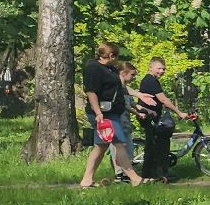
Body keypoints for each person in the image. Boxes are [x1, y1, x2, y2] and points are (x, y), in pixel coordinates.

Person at [79, 43, 143, 189]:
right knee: (119, 143)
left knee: (100, 147)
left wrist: (138, 94)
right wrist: (98, 113)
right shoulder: (93, 68)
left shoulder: (111, 69)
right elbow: (91, 92)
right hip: (103, 114)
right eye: (116, 56)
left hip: (112, 112)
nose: (118, 59)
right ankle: (134, 178)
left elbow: (120, 87)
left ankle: (87, 180)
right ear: (111, 55)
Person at [134, 57, 184, 182]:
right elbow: (163, 99)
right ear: (150, 67)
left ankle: (157, 171)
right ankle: (153, 173)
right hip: (148, 117)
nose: (161, 71)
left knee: (157, 143)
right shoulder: (150, 80)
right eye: (159, 68)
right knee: (155, 144)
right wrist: (179, 112)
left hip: (153, 116)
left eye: (163, 69)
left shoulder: (152, 80)